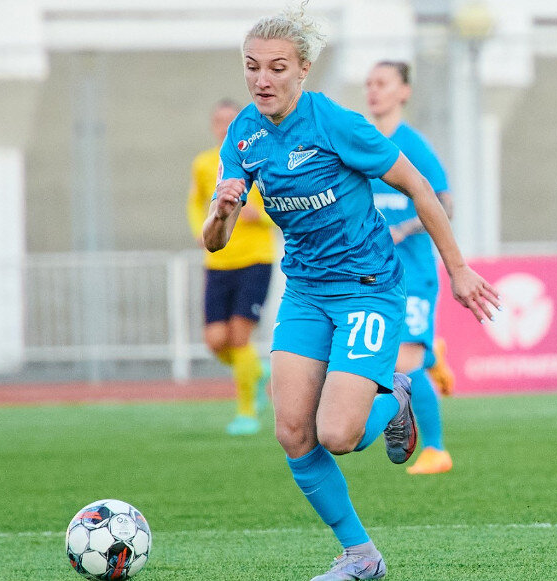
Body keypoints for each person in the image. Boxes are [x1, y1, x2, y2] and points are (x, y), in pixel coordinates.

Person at [202, 4, 500, 579]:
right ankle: (361, 556)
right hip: (305, 293)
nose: (262, 79)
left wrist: (459, 270)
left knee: (338, 434)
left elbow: (419, 187)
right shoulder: (242, 133)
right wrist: (222, 210)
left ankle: (399, 394)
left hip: (367, 288)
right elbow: (215, 242)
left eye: (277, 68)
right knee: (293, 432)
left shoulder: (336, 123)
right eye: (252, 67)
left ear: (303, 70)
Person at [365, 60, 454, 475]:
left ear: (404, 92)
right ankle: (432, 357)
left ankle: (436, 450)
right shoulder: (363, 144)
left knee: (404, 362)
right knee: (382, 363)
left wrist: (404, 227)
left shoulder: (412, 145)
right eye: (369, 83)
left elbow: (445, 205)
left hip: (413, 274)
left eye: (383, 83)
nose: (373, 90)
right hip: (372, 276)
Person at [186, 99, 276, 436]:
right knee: (215, 340)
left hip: (255, 259)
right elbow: (195, 203)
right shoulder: (204, 164)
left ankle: (247, 412)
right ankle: (255, 371)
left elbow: (284, 209)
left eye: (231, 120)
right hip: (218, 261)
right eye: (219, 120)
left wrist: (259, 216)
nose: (224, 126)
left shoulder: (262, 158)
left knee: (239, 337)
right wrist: (200, 230)